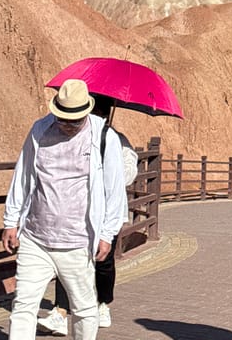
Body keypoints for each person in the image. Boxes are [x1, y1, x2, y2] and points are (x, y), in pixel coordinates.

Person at [2, 79, 127, 340]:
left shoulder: (104, 137)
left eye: (75, 120)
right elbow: (23, 176)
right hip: (36, 239)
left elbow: (114, 191)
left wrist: (107, 234)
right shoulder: (40, 130)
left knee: (84, 309)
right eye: (63, 119)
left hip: (78, 241)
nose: (68, 126)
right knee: (23, 306)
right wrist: (11, 220)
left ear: (86, 112)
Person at [38, 95, 139, 335]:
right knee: (68, 259)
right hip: (77, 212)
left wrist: (103, 172)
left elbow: (128, 174)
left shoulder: (116, 140)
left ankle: (102, 303)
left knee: (103, 262)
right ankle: (61, 312)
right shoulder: (73, 139)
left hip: (105, 214)